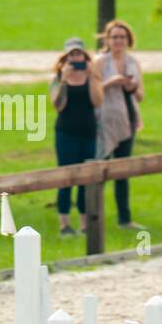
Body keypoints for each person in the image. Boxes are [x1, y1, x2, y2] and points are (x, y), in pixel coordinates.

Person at [93, 19, 145, 229]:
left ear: (128, 40)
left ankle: (124, 218)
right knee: (100, 171)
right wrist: (111, 82)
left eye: (122, 37)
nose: (118, 41)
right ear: (108, 39)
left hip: (128, 119)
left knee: (123, 171)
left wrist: (131, 86)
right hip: (104, 121)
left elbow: (141, 95)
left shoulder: (133, 62)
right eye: (114, 37)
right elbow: (94, 93)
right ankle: (93, 219)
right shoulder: (100, 62)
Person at [49, 38, 102, 237]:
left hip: (88, 132)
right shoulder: (58, 78)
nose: (76, 58)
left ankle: (84, 223)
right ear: (65, 58)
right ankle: (64, 224)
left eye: (79, 54)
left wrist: (91, 75)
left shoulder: (93, 77)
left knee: (85, 179)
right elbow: (58, 105)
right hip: (66, 133)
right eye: (72, 55)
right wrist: (64, 79)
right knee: (66, 178)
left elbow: (97, 101)